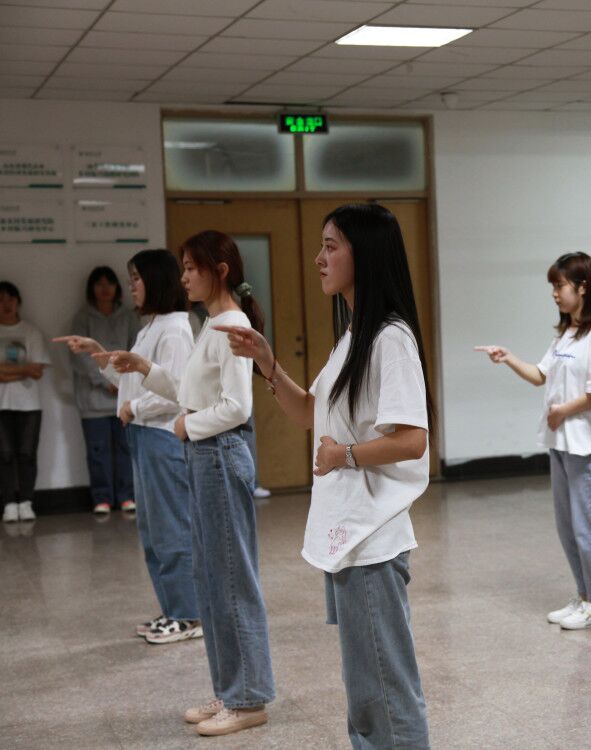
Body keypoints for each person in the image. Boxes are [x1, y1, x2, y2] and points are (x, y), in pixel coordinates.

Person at [217, 203, 432, 749]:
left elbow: (413, 440)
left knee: (385, 689)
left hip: (372, 538)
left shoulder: (390, 338)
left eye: (331, 246)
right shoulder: (354, 335)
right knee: (365, 689)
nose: (319, 258)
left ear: (367, 255)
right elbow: (311, 412)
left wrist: (346, 455)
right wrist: (268, 364)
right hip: (349, 535)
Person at [107, 231, 275, 736]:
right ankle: (230, 689)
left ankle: (248, 699)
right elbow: (189, 389)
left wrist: (188, 426)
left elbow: (238, 407)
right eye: (181, 268)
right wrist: (146, 369)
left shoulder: (233, 325)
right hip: (205, 456)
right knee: (211, 579)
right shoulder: (211, 324)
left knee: (231, 580)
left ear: (219, 270)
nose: (182, 278)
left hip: (219, 454)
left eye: (190, 267)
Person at [55, 250, 199, 643]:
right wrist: (97, 352)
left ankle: (188, 615)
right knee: (153, 533)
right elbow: (132, 382)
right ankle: (173, 608)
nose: (131, 286)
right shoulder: (151, 326)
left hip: (161, 436)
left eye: (136, 278)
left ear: (155, 280)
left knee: (172, 530)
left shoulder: (174, 328)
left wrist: (135, 408)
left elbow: (177, 391)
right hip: (142, 435)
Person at [475, 251, 591, 631]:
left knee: (590, 527)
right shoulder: (567, 334)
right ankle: (585, 595)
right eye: (553, 286)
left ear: (583, 287)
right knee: (568, 527)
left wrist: (562, 412)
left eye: (560, 285)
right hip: (563, 443)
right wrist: (508, 358)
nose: (555, 293)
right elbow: (541, 375)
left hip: (589, 447)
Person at [68, 266, 139, 515]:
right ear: (91, 289)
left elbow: (136, 350)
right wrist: (105, 381)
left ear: (117, 287)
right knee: (97, 452)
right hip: (93, 400)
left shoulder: (129, 317)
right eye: (99, 284)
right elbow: (79, 357)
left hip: (124, 397)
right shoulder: (82, 318)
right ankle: (102, 498)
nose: (105, 288)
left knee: (125, 449)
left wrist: (121, 381)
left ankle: (127, 496)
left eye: (109, 283)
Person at [0, 281, 49, 523]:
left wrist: (5, 371)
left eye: (10, 299)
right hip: (2, 404)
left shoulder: (31, 332)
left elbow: (37, 371)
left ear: (18, 302)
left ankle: (27, 502)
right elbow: (29, 369)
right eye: (0, 300)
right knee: (4, 455)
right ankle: (9, 503)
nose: (6, 304)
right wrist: (23, 369)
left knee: (27, 454)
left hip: (29, 404)